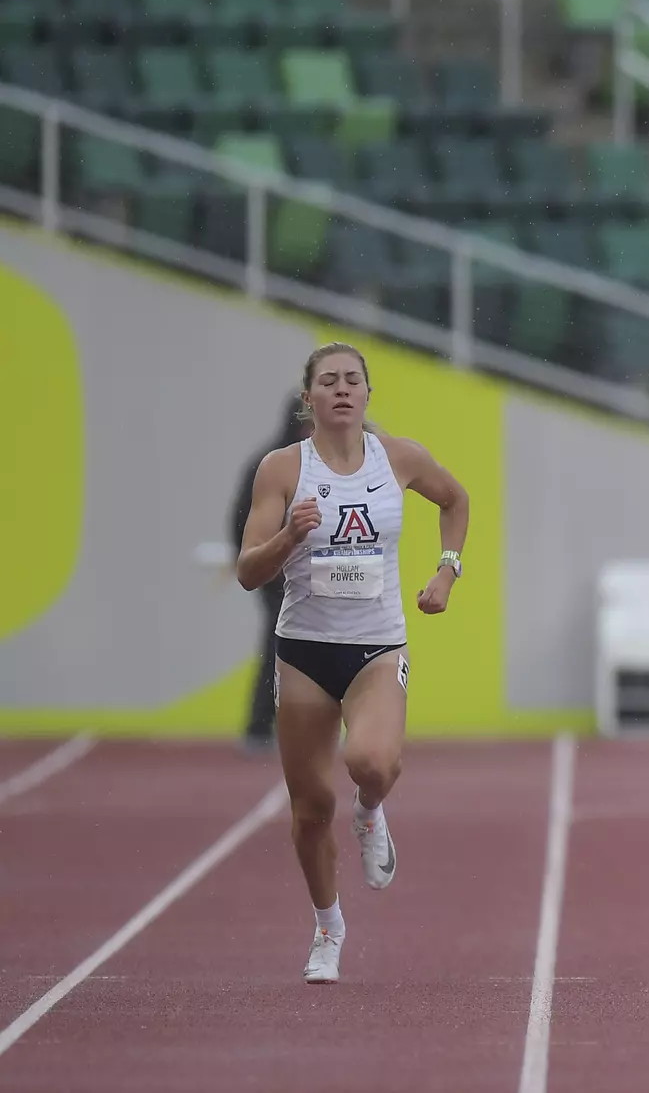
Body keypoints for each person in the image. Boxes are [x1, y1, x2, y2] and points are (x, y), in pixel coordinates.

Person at [235, 342, 470, 985]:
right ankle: (327, 927)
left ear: (368, 394)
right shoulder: (282, 471)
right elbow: (247, 572)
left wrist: (447, 573)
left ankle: (370, 810)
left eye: (353, 381)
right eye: (328, 381)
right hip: (305, 652)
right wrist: (289, 536)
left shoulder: (399, 457)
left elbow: (456, 501)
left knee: (371, 762)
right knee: (310, 807)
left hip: (376, 645)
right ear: (308, 397)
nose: (342, 390)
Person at [229, 392, 310, 752]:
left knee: (313, 649)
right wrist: (255, 558)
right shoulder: (273, 465)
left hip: (307, 572)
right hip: (276, 574)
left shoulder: (318, 462)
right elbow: (241, 520)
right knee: (279, 648)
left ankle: (301, 725)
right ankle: (260, 725)